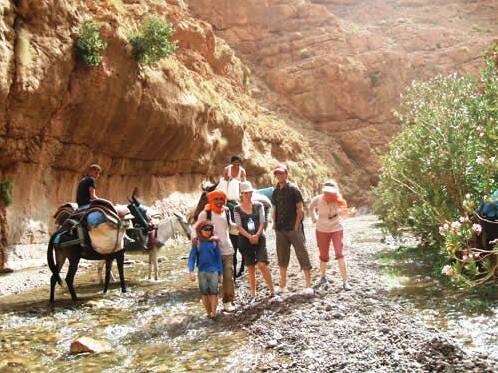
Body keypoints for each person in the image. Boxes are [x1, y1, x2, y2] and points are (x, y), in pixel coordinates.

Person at [271, 164, 313, 295]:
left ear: (286, 174)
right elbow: (274, 208)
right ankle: (282, 285)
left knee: (302, 254)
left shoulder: (294, 189)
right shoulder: (275, 191)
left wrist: (296, 226)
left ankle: (308, 285)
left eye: (281, 173)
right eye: (277, 174)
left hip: (293, 228)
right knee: (282, 257)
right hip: (280, 229)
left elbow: (300, 209)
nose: (279, 176)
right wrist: (274, 223)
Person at [192, 190, 236, 312]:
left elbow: (230, 226)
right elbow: (195, 229)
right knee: (213, 280)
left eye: (221, 199)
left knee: (228, 277)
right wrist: (196, 242)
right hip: (211, 252)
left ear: (224, 200)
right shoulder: (205, 214)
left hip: (227, 249)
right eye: (215, 199)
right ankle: (212, 307)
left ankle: (227, 301)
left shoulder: (227, 211)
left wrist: (241, 228)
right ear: (211, 200)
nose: (218, 201)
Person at [234, 181, 276, 301]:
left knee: (262, 264)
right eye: (245, 193)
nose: (248, 195)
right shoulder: (237, 209)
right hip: (245, 240)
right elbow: (238, 226)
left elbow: (262, 221)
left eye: (249, 192)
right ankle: (253, 294)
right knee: (250, 267)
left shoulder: (259, 205)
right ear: (242, 194)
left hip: (259, 238)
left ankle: (272, 290)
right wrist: (249, 236)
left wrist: (256, 235)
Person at [309, 180, 351, 290]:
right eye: (326, 192)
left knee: (339, 253)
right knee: (324, 255)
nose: (327, 195)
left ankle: (345, 281)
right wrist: (314, 219)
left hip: (336, 228)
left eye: (330, 193)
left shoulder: (339, 200)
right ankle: (322, 277)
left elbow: (345, 212)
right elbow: (310, 208)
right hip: (321, 229)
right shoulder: (318, 199)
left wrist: (344, 213)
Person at [188, 220, 223, 319]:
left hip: (214, 271)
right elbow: (192, 258)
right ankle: (209, 313)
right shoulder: (197, 242)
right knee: (204, 293)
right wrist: (191, 271)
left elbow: (218, 258)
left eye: (210, 229)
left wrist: (221, 273)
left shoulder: (214, 242)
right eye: (206, 229)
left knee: (214, 293)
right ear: (200, 230)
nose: (208, 231)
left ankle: (214, 313)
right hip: (202, 271)